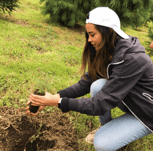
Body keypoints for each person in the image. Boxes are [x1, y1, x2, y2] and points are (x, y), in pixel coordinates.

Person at [26, 7, 153, 151]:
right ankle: (107, 127)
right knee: (97, 85)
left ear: (107, 32)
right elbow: (86, 82)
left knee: (102, 144)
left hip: (147, 113)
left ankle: (117, 138)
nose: (89, 39)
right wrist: (55, 96)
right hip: (130, 99)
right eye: (88, 34)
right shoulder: (109, 49)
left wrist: (58, 102)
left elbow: (98, 105)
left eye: (92, 34)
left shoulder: (132, 59)